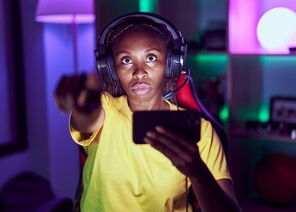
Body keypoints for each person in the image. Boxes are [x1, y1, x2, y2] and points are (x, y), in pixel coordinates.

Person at [54, 12, 241, 212]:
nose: (139, 72)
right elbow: (88, 118)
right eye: (126, 60)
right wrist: (84, 105)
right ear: (111, 69)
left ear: (171, 65)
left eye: (151, 58)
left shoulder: (202, 131)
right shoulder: (105, 108)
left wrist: (197, 172)